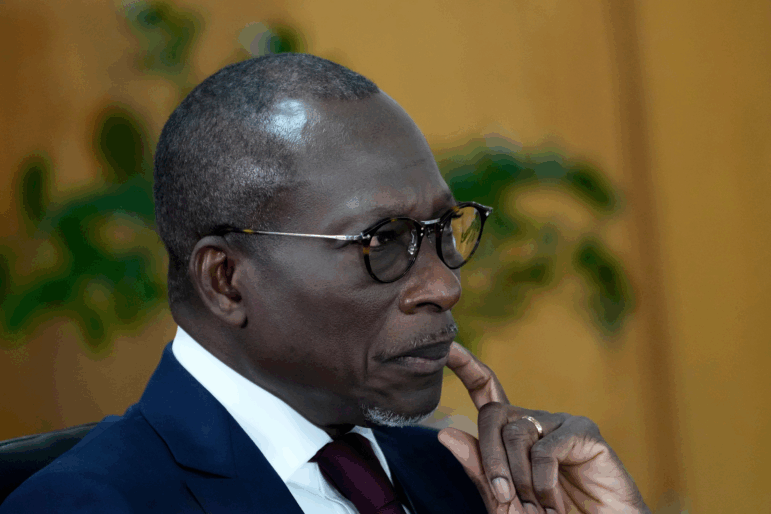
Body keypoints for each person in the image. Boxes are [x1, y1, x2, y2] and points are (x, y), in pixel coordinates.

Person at [0, 53, 649, 514]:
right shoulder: (91, 503)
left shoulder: (469, 484)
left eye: (443, 229)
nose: (442, 286)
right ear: (225, 280)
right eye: (382, 242)